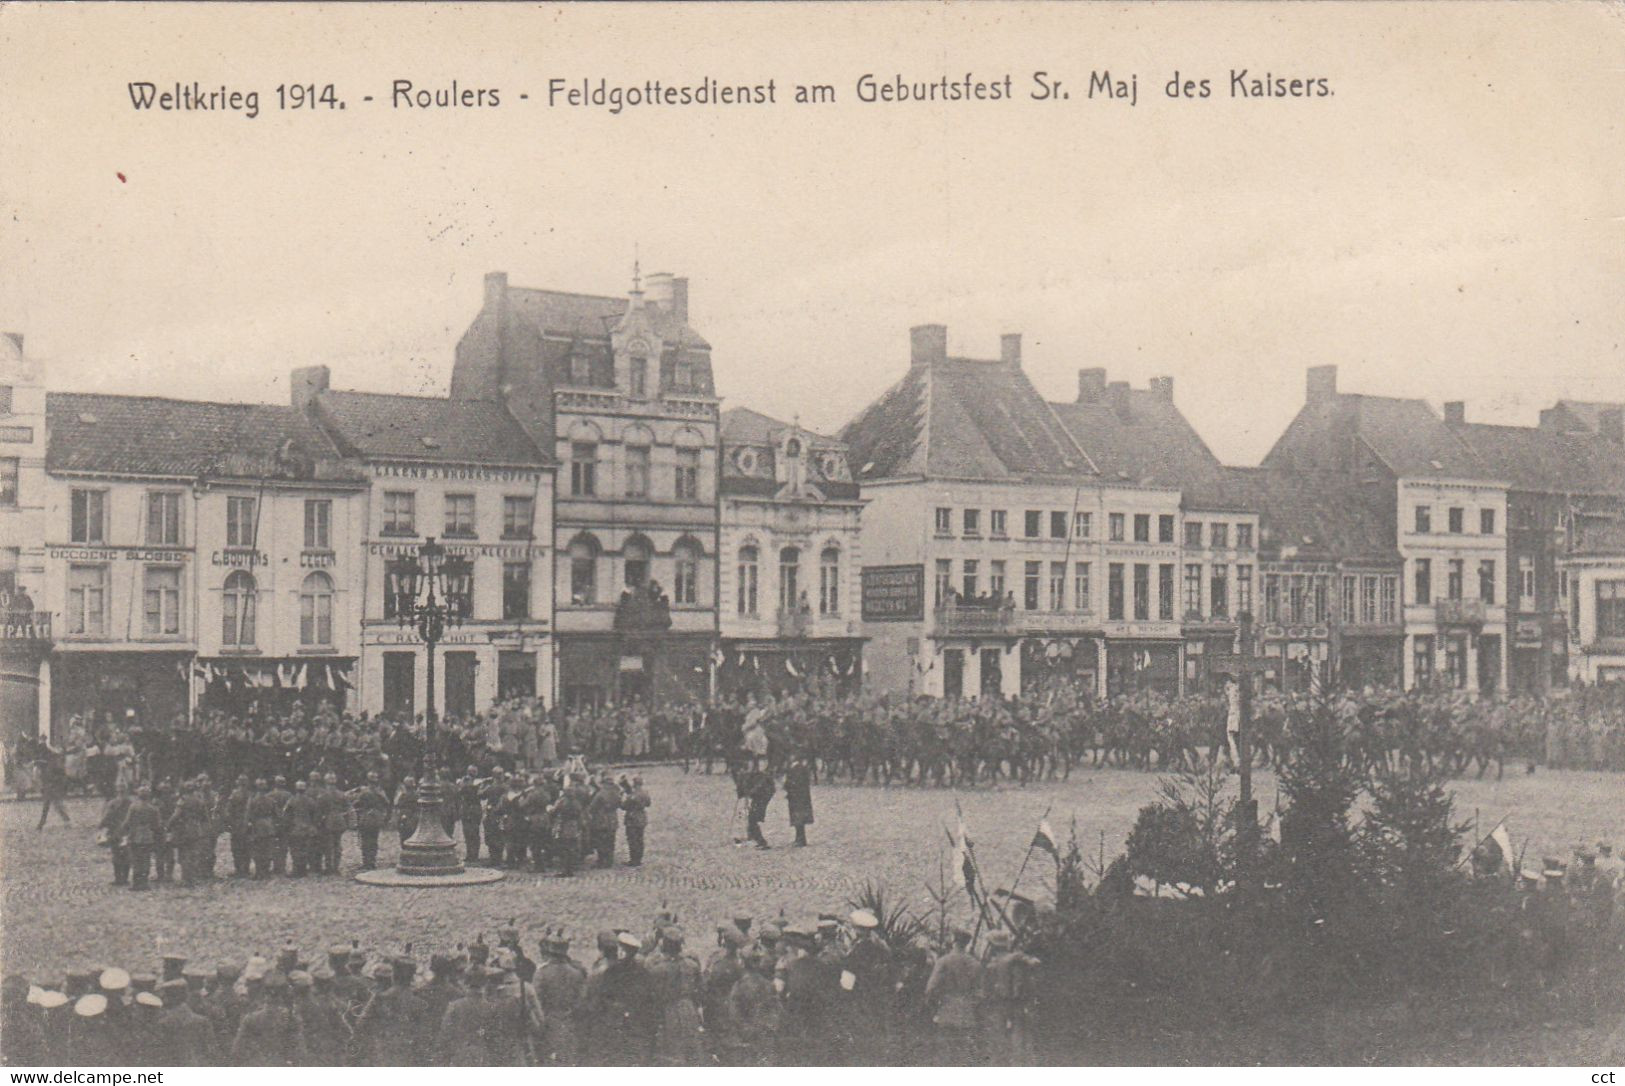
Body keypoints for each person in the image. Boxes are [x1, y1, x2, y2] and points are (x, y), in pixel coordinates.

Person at [923, 929, 984, 1064]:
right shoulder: (975, 964)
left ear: (953, 941)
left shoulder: (943, 961)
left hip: (947, 1010)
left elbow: (931, 988)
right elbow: (980, 993)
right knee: (964, 1053)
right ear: (967, 944)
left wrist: (933, 1007)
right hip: (967, 1013)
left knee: (946, 1052)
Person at [120, 785, 161, 890]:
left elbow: (127, 821)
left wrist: (123, 830)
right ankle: (144, 883)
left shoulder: (133, 807)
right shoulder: (153, 808)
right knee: (146, 859)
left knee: (136, 859)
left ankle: (136, 883)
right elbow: (157, 825)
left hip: (135, 835)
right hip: (147, 835)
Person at [352, 771, 390, 870]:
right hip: (376, 818)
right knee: (374, 840)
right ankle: (372, 862)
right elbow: (387, 803)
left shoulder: (364, 792)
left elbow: (356, 803)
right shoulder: (380, 791)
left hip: (366, 817)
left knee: (365, 841)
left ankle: (366, 863)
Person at [99, 782, 133, 886]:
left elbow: (107, 816)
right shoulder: (131, 803)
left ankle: (118, 878)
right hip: (127, 831)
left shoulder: (112, 803)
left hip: (114, 831)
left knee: (116, 855)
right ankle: (125, 878)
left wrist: (101, 826)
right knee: (126, 855)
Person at [621, 775, 651, 866]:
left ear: (634, 783)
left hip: (632, 819)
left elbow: (624, 806)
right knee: (640, 839)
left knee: (632, 840)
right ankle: (639, 858)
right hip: (642, 817)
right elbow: (648, 804)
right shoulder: (645, 793)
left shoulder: (632, 795)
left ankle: (634, 860)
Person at [784, 756, 814, 847]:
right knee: (797, 818)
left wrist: (787, 785)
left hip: (798, 797)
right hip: (798, 797)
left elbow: (795, 783)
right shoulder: (797, 767)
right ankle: (799, 838)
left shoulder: (798, 768)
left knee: (799, 818)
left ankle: (801, 840)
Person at [746, 767, 775, 849]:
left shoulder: (762, 776)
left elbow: (759, 787)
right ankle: (756, 838)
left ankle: (761, 841)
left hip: (761, 798)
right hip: (760, 798)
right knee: (752, 819)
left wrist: (751, 792)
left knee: (752, 819)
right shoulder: (758, 775)